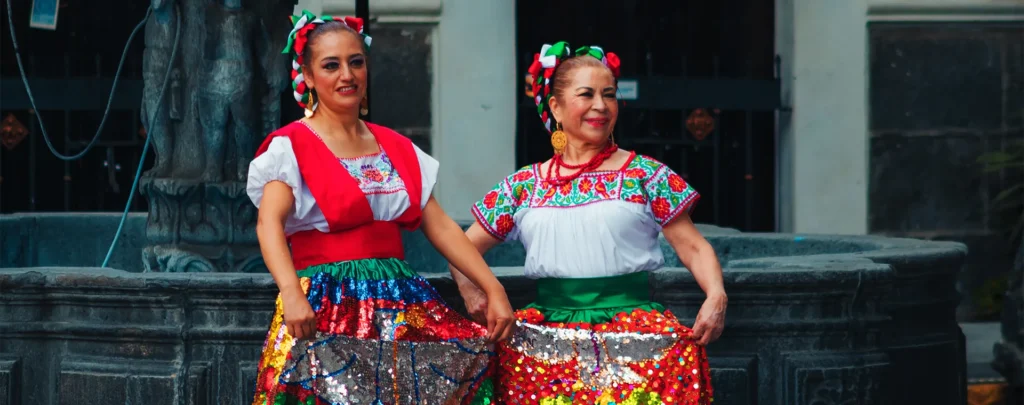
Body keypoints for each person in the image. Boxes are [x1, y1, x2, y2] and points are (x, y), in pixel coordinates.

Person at [247, 11, 512, 405]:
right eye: (331, 65)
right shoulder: (291, 147)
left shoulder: (396, 146)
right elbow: (269, 223)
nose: (346, 75)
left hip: (399, 301)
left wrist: (493, 288)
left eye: (356, 62)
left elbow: (440, 227)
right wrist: (290, 292)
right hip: (327, 302)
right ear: (306, 76)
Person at [449, 41, 727, 404]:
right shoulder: (524, 184)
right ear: (556, 107)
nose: (601, 105)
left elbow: (692, 245)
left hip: (632, 331)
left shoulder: (644, 174)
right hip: (543, 341)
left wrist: (716, 295)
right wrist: (472, 290)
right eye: (587, 94)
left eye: (609, 95)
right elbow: (460, 248)